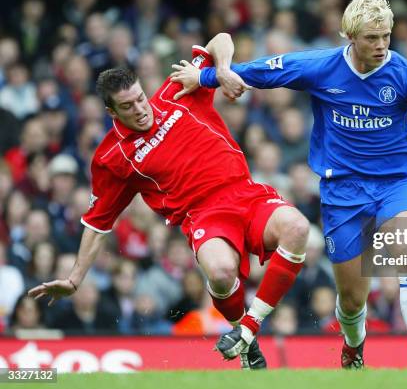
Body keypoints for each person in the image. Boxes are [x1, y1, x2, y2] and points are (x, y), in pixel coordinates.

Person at [171, 0, 407, 369]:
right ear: (350, 37)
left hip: (397, 183)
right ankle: (353, 344)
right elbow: (263, 71)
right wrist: (202, 77)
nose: (381, 46)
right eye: (371, 38)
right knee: (351, 300)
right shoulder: (321, 66)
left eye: (386, 36)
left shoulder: (406, 74)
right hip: (343, 191)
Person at [28, 34, 310, 369]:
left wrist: (219, 71)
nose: (140, 109)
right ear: (111, 111)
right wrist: (75, 278)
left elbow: (221, 39)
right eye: (128, 106)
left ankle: (247, 331)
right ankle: (245, 340)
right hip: (203, 215)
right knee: (220, 273)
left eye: (140, 99)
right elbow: (97, 222)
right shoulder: (113, 157)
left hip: (244, 192)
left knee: (298, 226)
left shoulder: (176, 90)